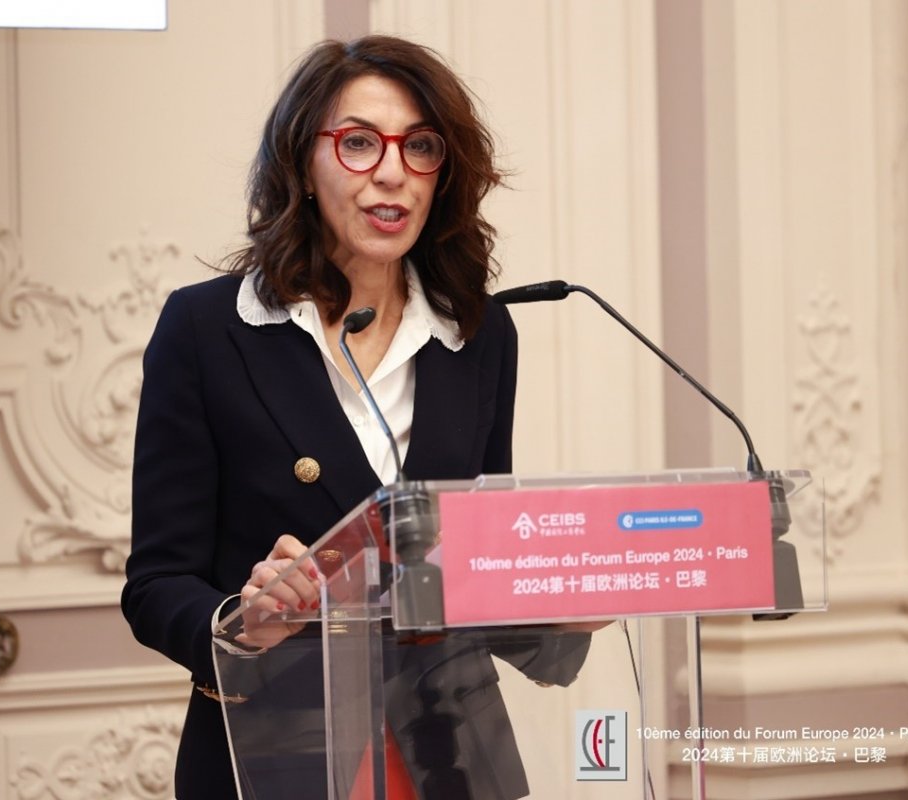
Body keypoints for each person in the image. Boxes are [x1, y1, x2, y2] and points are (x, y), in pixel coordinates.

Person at [122, 35, 591, 799]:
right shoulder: (208, 330)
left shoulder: (477, 333)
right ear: (302, 164)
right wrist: (243, 621)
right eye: (360, 142)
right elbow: (155, 584)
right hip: (278, 754)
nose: (393, 172)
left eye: (421, 146)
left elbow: (473, 570)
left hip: (451, 759)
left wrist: (567, 606)